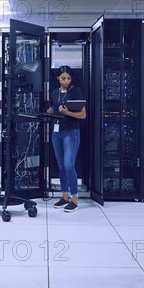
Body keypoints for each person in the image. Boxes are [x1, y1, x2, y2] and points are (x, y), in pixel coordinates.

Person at [46, 66, 86, 212]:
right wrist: (50, 111)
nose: (66, 81)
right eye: (63, 78)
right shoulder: (54, 93)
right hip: (57, 132)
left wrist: (67, 112)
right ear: (58, 78)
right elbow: (52, 109)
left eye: (68, 78)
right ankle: (64, 196)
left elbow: (83, 115)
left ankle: (75, 198)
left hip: (71, 131)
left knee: (69, 165)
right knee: (61, 166)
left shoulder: (76, 91)